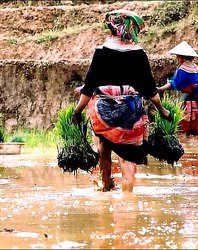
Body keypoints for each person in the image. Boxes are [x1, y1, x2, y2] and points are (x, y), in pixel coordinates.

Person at [72, 9, 170, 192]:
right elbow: (149, 88)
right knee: (128, 155)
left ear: (112, 29)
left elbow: (89, 86)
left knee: (104, 147)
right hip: (130, 111)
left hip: (103, 111)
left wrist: (77, 112)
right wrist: (162, 110)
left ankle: (106, 186)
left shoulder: (101, 52)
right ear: (131, 30)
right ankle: (128, 198)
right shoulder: (139, 53)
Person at [158, 41, 198, 143]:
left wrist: (160, 89)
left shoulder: (183, 69)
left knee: (182, 126)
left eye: (178, 57)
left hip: (188, 99)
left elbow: (173, 83)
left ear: (182, 58)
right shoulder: (195, 68)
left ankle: (184, 150)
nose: (177, 59)